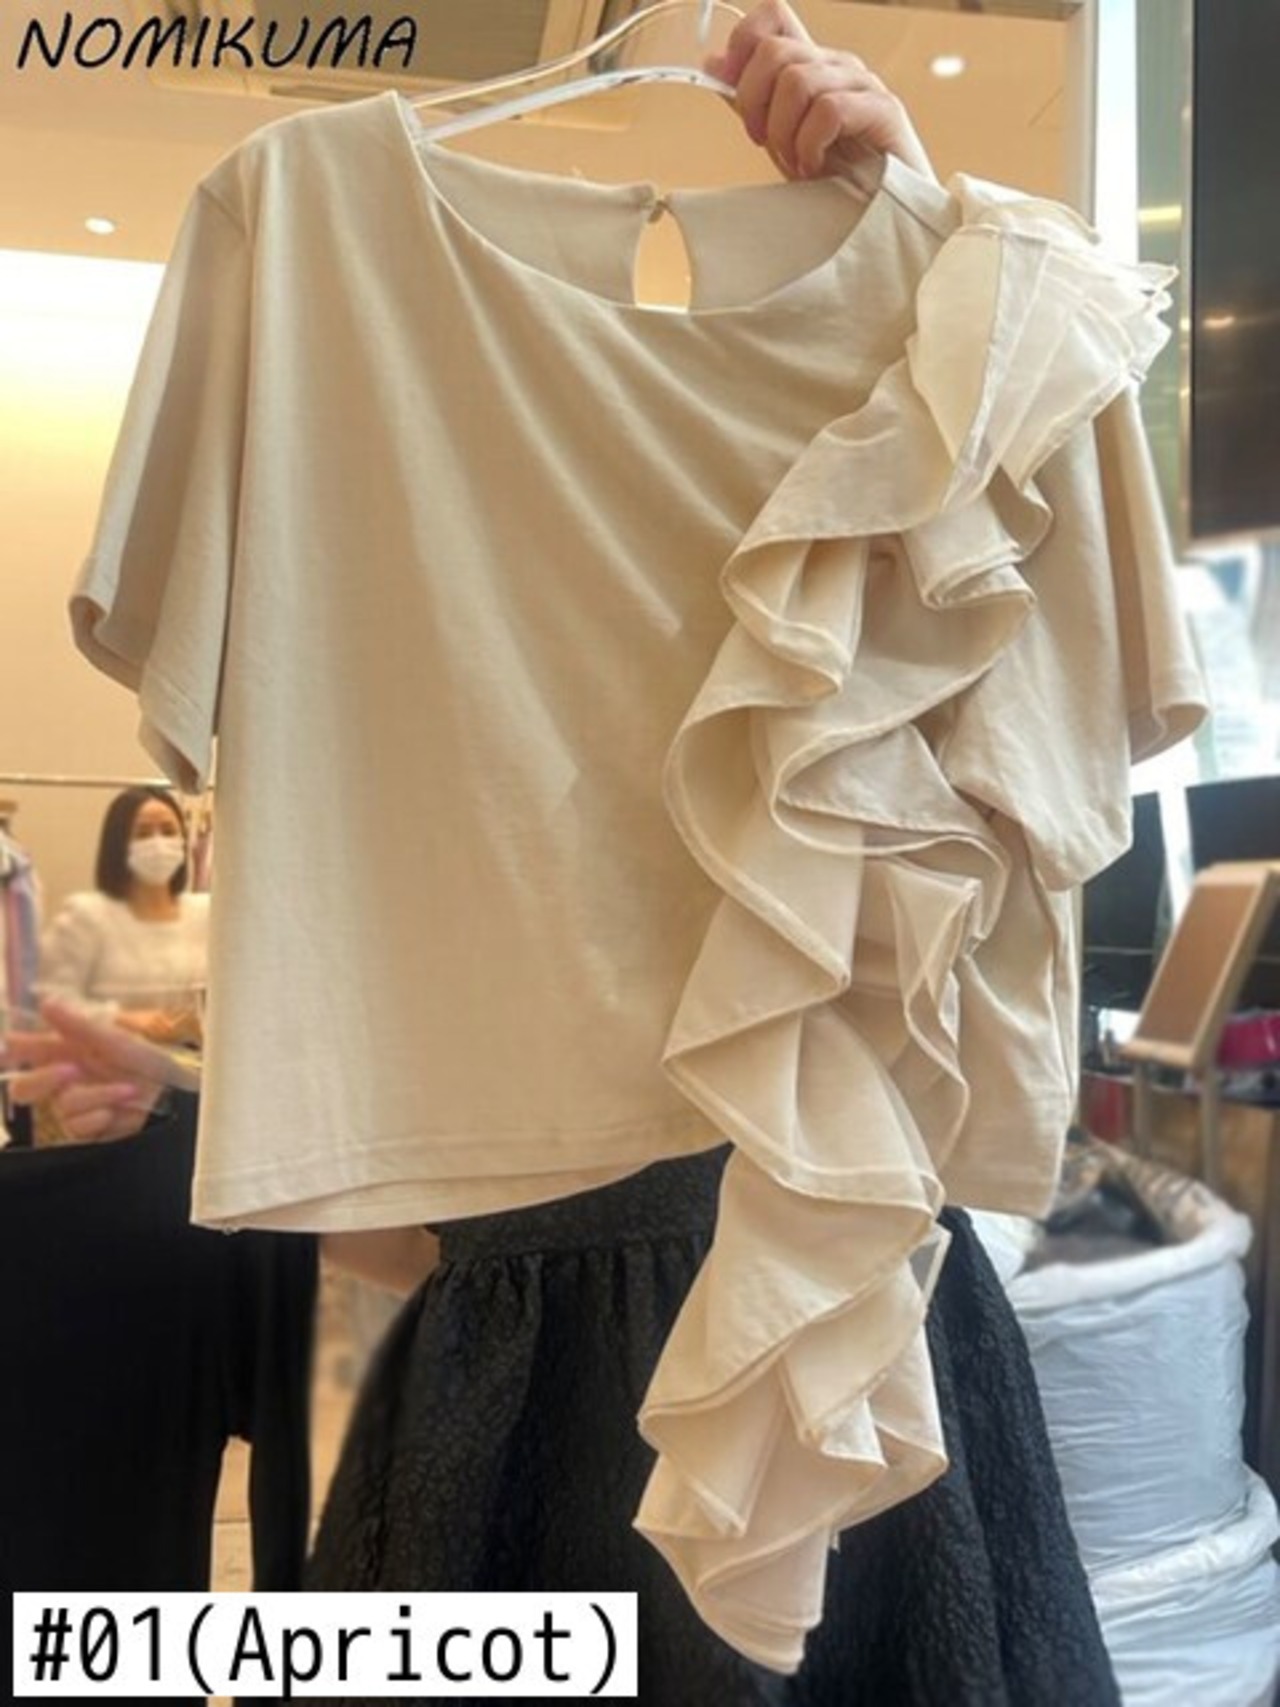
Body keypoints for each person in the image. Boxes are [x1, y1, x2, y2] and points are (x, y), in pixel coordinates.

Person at [8, 6, 1123, 1702]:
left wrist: (935, 245)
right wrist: (191, 1101)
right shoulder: (297, 238)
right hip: (640, 1337)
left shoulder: (1004, 319)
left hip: (817, 1324)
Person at [38, 785, 208, 1047]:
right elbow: (52, 1001)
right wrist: (123, 1019)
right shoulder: (86, 916)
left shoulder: (205, 914)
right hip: (105, 1064)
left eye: (168, 831)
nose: (158, 843)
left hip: (192, 1066)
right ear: (118, 845)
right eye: (143, 833)